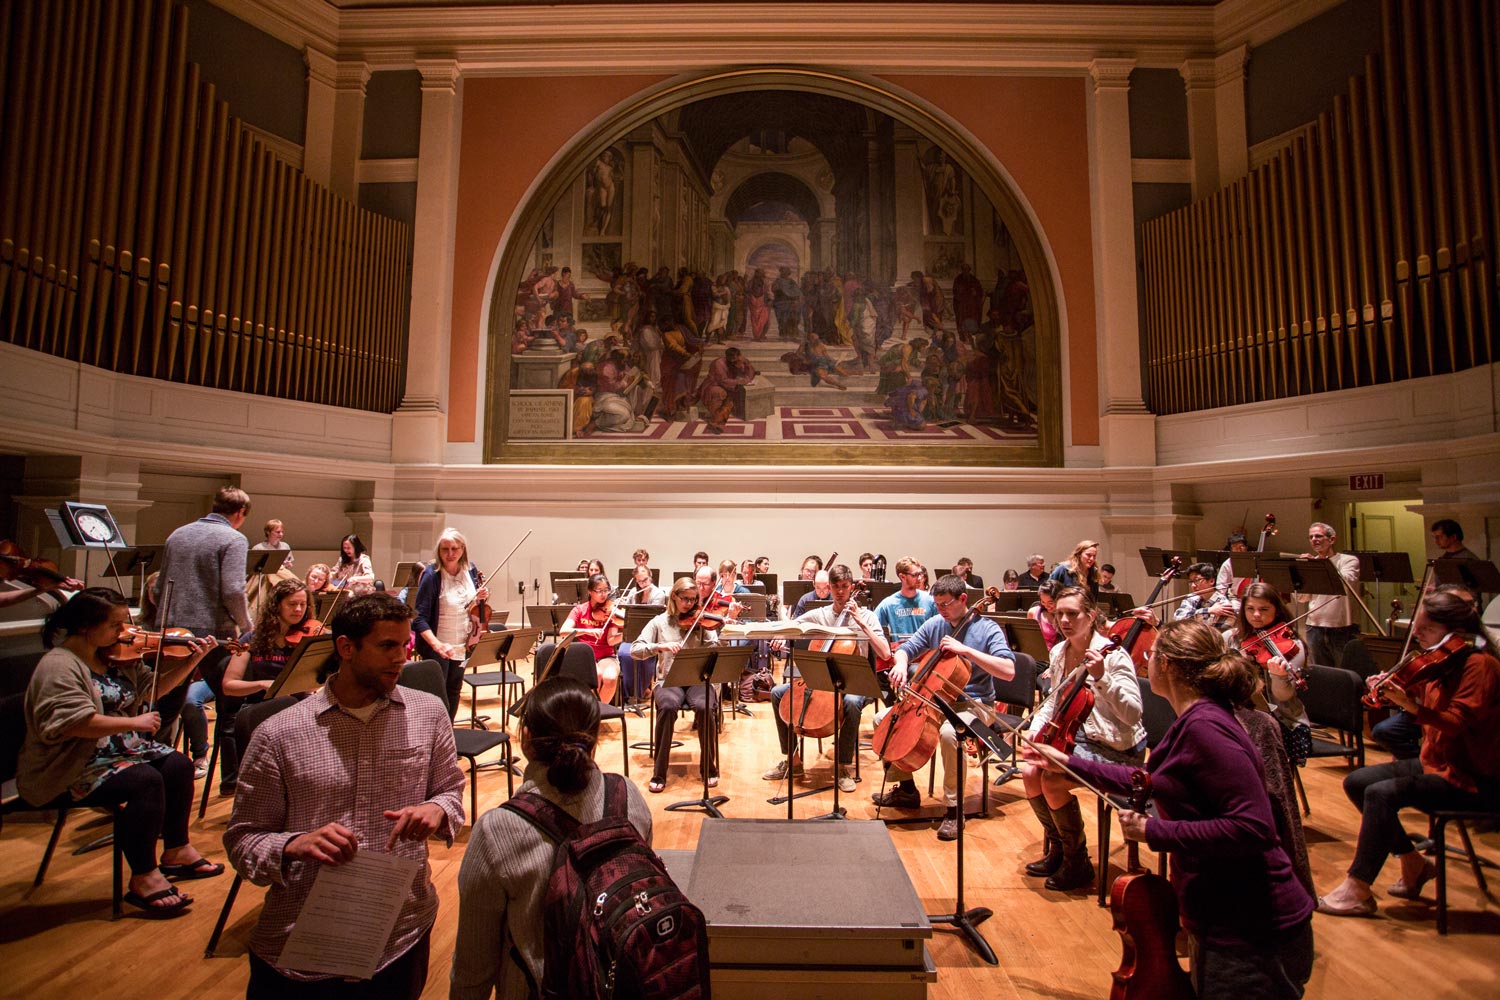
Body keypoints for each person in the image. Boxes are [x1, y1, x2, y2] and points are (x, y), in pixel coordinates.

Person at [1027, 618, 1315, 999]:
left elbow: (1253, 827)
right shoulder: (1194, 719)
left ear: (1170, 666)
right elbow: (1147, 778)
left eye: (1153, 652)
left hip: (1252, 926)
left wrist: (1152, 831)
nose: (1146, 658)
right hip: (1226, 915)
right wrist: (1066, 763)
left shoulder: (1206, 728)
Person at [225, 593, 465, 998]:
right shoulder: (279, 733)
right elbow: (243, 840)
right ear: (346, 648)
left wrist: (436, 810)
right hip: (303, 941)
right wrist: (294, 844)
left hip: (401, 929)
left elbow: (450, 792)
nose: (401, 658)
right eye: (387, 646)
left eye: (405, 646)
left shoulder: (429, 713)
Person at [18, 588, 222, 917]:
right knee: (145, 781)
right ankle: (143, 877)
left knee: (178, 767)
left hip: (118, 751)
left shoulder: (112, 657)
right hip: (72, 763)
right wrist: (135, 721)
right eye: (116, 625)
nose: (124, 631)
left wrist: (193, 660)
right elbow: (69, 724)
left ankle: (176, 850)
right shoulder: (59, 666)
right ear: (87, 626)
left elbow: (152, 689)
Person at [450, 676, 652, 999]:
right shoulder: (629, 796)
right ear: (595, 736)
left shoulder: (496, 831)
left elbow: (472, 970)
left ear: (526, 738)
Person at [1316, 588, 1500, 918]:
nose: (1416, 634)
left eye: (1426, 629)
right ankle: (1413, 862)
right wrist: (1387, 691)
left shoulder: (1479, 666)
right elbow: (1412, 695)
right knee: (1358, 782)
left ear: (1455, 632)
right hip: (1438, 763)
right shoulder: (1440, 663)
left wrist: (1408, 704)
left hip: (1473, 777)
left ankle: (1358, 887)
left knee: (1382, 794)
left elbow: (1455, 723)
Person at [1018, 585, 1146, 888]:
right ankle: (1059, 849)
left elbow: (1133, 714)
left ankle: (1077, 861)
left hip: (1117, 747)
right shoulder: (1059, 651)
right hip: (1079, 737)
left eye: (1072, 614)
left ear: (1090, 615)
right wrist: (1036, 728)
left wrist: (1102, 677)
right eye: (1059, 613)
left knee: (1051, 778)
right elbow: (1056, 701)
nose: (1064, 620)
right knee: (1029, 770)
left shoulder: (1113, 656)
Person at [873, 574, 1015, 840]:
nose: (941, 610)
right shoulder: (937, 623)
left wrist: (967, 651)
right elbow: (907, 647)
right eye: (937, 604)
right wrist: (901, 663)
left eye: (946, 604)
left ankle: (954, 808)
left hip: (975, 704)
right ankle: (906, 790)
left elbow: (1008, 671)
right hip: (935, 701)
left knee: (951, 734)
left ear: (963, 599)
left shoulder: (988, 629)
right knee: (883, 720)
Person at [763, 565, 891, 792]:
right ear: (829, 588)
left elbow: (885, 653)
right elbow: (793, 623)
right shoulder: (820, 615)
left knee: (851, 702)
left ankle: (843, 766)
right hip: (820, 681)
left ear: (851, 587)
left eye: (844, 587)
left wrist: (861, 624)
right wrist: (781, 635)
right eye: (836, 587)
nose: (840, 592)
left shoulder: (868, 616)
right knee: (777, 693)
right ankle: (792, 761)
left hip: (854, 681)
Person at [151, 485, 252, 754]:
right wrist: (247, 626)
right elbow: (232, 590)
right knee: (231, 702)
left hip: (172, 630)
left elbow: (158, 588)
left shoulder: (177, 534)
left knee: (165, 703)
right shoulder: (233, 538)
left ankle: (154, 759)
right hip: (213, 633)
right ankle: (230, 777)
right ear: (241, 513)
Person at [200, 578, 316, 788]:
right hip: (259, 709)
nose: (299, 609)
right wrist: (262, 684)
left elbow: (311, 683)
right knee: (289, 704)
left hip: (297, 707)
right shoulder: (251, 639)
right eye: (292, 604)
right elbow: (229, 685)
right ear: (277, 605)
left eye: (303, 604)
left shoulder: (307, 637)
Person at [630, 577, 720, 793]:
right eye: (685, 599)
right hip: (668, 680)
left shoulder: (700, 622)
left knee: (705, 706)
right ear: (674, 597)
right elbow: (635, 649)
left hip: (698, 679)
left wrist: (711, 638)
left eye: (693, 599)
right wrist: (660, 646)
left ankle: (709, 767)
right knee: (668, 706)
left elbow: (715, 648)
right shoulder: (659, 622)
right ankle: (659, 772)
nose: (690, 604)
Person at [412, 528, 489, 719]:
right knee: (437, 695)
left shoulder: (470, 570)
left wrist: (481, 597)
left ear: (462, 549)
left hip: (463, 643)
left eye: (454, 548)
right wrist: (437, 645)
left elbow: (470, 606)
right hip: (439, 645)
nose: (450, 554)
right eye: (445, 549)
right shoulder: (432, 576)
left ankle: (450, 735)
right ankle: (435, 738)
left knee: (454, 689)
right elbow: (419, 618)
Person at [1234, 583, 1310, 731]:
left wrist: (1279, 677)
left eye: (1263, 609)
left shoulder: (1293, 646)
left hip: (1285, 724)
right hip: (1241, 718)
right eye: (1250, 609)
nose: (1256, 614)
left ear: (1277, 611)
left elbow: (1284, 697)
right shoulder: (1233, 638)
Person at [1294, 522, 1360, 669]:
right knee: (1321, 673)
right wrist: (1303, 571)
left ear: (1332, 540)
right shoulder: (1312, 563)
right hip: (1314, 627)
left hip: (1341, 627)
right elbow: (1302, 598)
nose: (1314, 539)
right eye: (1311, 537)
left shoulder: (1348, 560)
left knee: (1345, 671)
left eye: (1318, 536)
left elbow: (1344, 583)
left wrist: (1318, 566)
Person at [559, 572, 623, 701]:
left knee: (610, 678)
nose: (603, 594)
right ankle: (590, 710)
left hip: (606, 655)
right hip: (586, 655)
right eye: (599, 591)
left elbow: (611, 641)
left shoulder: (611, 612)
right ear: (590, 592)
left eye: (606, 590)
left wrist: (627, 634)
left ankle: (599, 712)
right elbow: (563, 631)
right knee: (596, 675)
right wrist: (587, 631)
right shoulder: (580, 610)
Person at [875, 557, 937, 672]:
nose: (919, 578)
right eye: (914, 575)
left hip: (924, 658)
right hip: (899, 657)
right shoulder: (889, 603)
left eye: (920, 574)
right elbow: (874, 628)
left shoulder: (930, 600)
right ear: (902, 577)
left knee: (914, 670)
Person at [617, 564, 667, 704]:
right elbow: (627, 613)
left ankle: (641, 690)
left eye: (646, 580)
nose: (644, 583)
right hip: (633, 633)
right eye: (640, 581)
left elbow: (655, 618)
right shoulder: (633, 592)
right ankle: (629, 693)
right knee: (624, 654)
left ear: (650, 577)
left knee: (644, 655)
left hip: (651, 635)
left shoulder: (658, 594)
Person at [1174, 562, 1237, 630]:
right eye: (1191, 582)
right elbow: (1178, 618)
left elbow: (1216, 636)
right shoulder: (1191, 597)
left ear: (1211, 581)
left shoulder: (1224, 605)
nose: (1193, 585)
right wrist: (1208, 610)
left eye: (1197, 580)